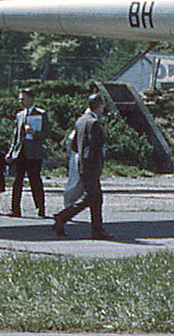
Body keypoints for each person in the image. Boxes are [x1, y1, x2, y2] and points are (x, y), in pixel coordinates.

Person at [53, 93, 111, 240]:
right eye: (103, 104)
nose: (104, 107)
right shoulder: (94, 123)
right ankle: (63, 217)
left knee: (93, 198)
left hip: (82, 165)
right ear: (98, 105)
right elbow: (95, 146)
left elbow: (73, 144)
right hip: (91, 165)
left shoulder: (80, 121)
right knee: (93, 197)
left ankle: (96, 229)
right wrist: (92, 161)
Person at [8, 87, 50, 219]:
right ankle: (15, 209)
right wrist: (11, 152)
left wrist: (35, 133)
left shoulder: (41, 114)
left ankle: (40, 208)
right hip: (21, 152)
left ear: (31, 99)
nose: (21, 101)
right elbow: (16, 136)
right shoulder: (20, 115)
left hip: (34, 153)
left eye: (24, 98)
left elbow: (47, 133)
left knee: (35, 181)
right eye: (20, 99)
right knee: (17, 181)